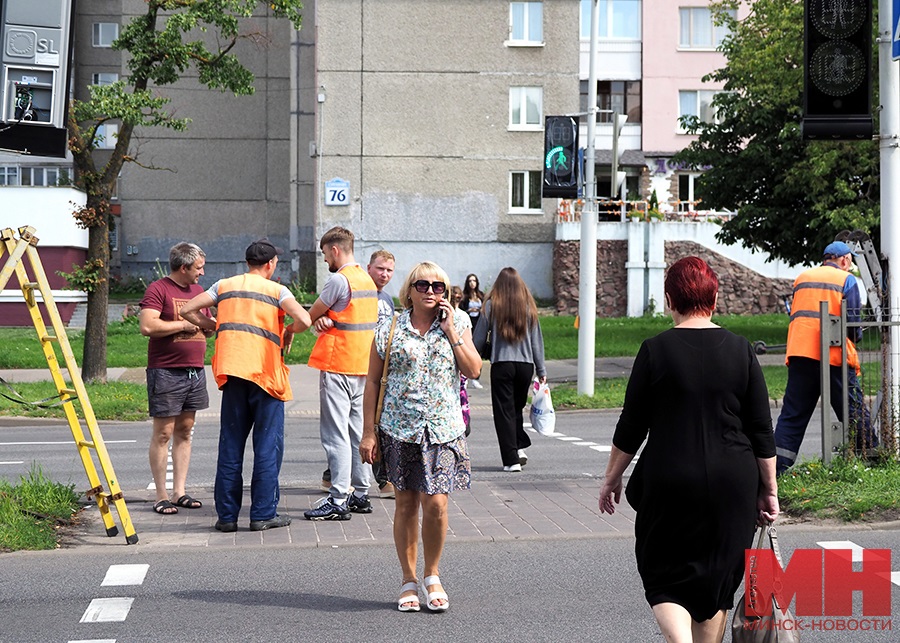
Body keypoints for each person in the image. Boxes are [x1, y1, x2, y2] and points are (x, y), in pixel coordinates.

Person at [598, 256, 778, 643]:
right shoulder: (741, 350)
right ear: (713, 300)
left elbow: (631, 426)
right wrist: (769, 490)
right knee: (716, 582)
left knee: (664, 576)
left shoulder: (655, 350)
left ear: (669, 300)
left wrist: (611, 479)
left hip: (669, 480)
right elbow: (762, 430)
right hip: (733, 483)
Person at [359, 262, 482, 612]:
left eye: (438, 286)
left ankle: (432, 574)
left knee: (438, 505)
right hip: (400, 428)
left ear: (446, 291)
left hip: (443, 428)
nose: (431, 291)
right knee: (406, 505)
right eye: (423, 284)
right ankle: (408, 580)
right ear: (409, 289)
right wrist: (369, 432)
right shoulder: (388, 328)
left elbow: (473, 369)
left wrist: (451, 332)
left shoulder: (458, 322)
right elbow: (372, 381)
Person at [180, 238, 311, 532]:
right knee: (266, 448)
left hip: (232, 374)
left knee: (230, 446)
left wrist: (213, 327)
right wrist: (289, 330)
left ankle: (226, 517)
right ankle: (263, 515)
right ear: (270, 265)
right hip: (265, 377)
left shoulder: (225, 286)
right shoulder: (277, 290)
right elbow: (304, 318)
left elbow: (187, 309)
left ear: (247, 262)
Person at [774, 241, 878, 475]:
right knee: (853, 409)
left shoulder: (802, 278)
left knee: (792, 415)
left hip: (801, 353)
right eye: (850, 262)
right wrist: (857, 336)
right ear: (844, 260)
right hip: (833, 356)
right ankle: (872, 460)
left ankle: (776, 470)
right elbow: (852, 324)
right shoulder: (846, 280)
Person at [304, 227, 379, 521]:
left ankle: (337, 498)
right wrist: (325, 319)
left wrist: (315, 321)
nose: (325, 261)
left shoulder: (339, 280)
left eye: (324, 254)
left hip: (338, 366)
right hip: (363, 367)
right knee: (357, 434)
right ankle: (361, 493)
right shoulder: (367, 281)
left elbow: (308, 315)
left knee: (334, 436)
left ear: (335, 250)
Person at [139, 242, 213, 515]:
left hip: (194, 370)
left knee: (185, 430)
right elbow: (148, 325)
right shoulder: (158, 289)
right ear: (183, 267)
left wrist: (210, 329)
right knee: (164, 433)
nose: (202, 273)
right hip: (166, 371)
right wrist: (183, 324)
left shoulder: (198, 292)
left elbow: (206, 323)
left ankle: (179, 491)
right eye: (198, 268)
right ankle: (161, 495)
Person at [472, 267, 546, 472]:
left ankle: (510, 459)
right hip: (525, 366)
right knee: (515, 409)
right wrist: (541, 370)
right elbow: (536, 341)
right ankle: (519, 448)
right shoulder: (528, 306)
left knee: (503, 412)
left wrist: (470, 361)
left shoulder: (491, 305)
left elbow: (478, 338)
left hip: (502, 364)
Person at [451, 285, 471, 436]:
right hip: (459, 358)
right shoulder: (460, 316)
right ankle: (463, 420)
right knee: (460, 391)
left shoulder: (461, 316)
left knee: (459, 391)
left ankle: (463, 421)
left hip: (459, 358)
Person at [460, 274, 486, 389]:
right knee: (465, 350)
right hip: (469, 324)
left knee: (477, 351)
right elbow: (461, 309)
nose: (472, 283)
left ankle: (476, 378)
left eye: (474, 281)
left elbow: (485, 310)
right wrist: (469, 310)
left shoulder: (481, 295)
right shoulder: (465, 297)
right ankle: (464, 377)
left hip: (479, 323)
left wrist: (479, 310)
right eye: (470, 281)